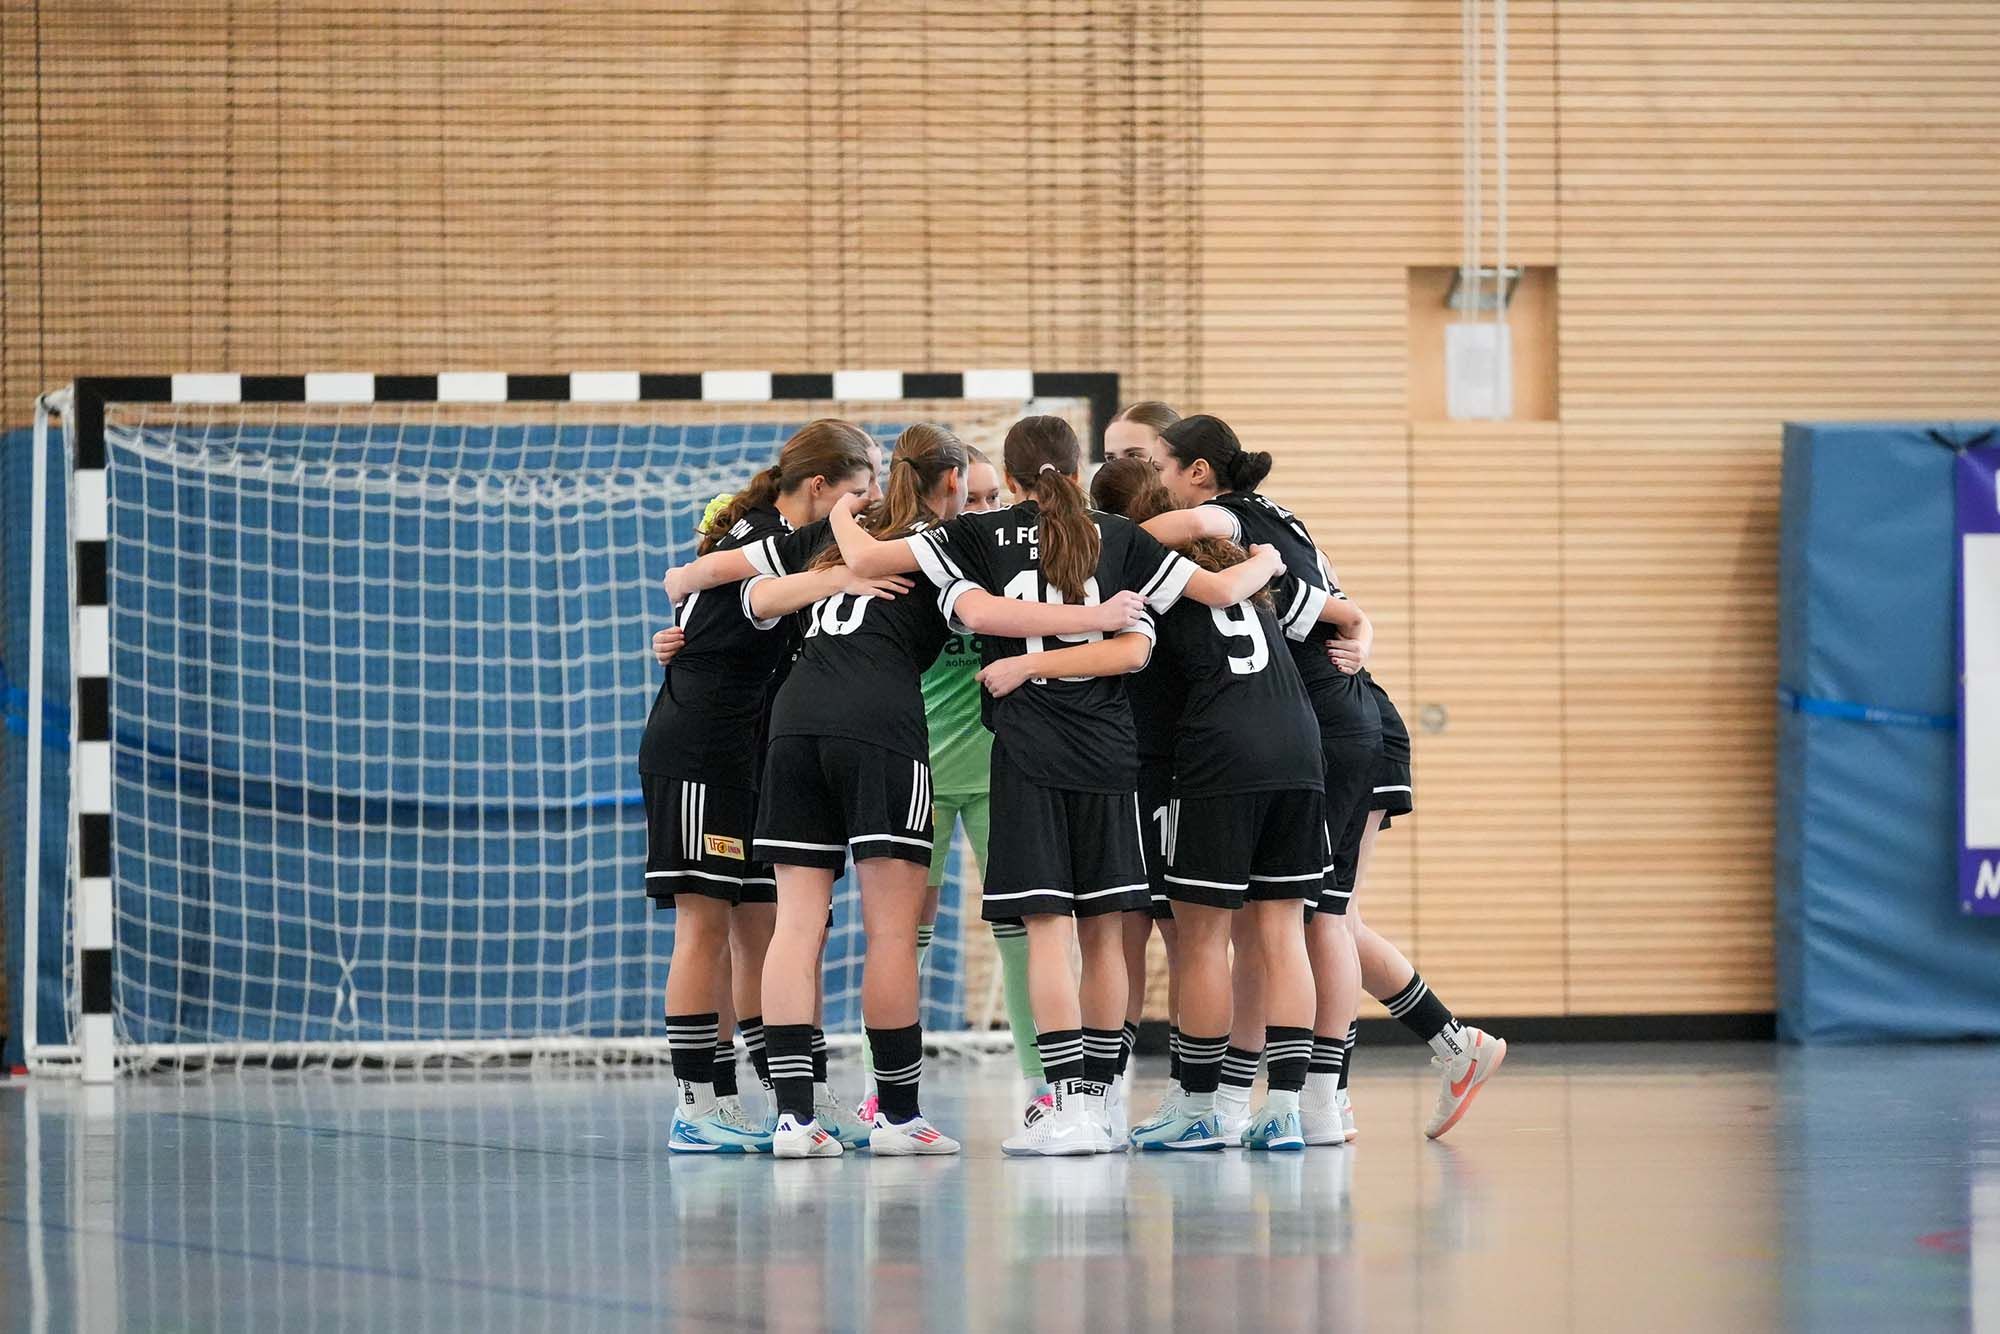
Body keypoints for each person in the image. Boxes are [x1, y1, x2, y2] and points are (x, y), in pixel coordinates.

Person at [833, 414, 1283, 1154]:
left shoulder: (975, 536)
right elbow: (1203, 602)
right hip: (1111, 752)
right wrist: (1265, 558)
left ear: (1008, 480)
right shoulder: (1124, 536)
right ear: (1076, 470)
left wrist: (851, 513)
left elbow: (868, 558)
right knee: (1107, 932)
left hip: (1028, 751)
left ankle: (1064, 1103)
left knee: (1046, 932)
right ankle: (1101, 1108)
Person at [735, 424, 1149, 1158]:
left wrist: (836, 547)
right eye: (974, 493)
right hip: (893, 735)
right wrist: (1093, 619)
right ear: (955, 487)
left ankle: (793, 1118)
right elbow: (992, 615)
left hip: (797, 723)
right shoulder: (958, 544)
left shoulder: (857, 533)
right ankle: (896, 1112)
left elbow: (752, 598)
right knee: (900, 933)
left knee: (797, 924)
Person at [1145, 415, 1506, 1142]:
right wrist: (1362, 629)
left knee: (1317, 918)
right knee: (1306, 918)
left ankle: (1317, 1099)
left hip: (1335, 730)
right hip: (1336, 724)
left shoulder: (1227, 521)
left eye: (1153, 463)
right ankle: (1440, 1047)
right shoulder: (1273, 527)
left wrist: (1100, 534)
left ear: (1200, 473)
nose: (1152, 483)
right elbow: (1341, 612)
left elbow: (1141, 540)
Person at [641, 419, 875, 1153]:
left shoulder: (783, 536)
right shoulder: (760, 540)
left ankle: (789, 1092)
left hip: (750, 760)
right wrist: (851, 572)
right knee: (703, 927)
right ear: (819, 488)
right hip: (698, 758)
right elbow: (756, 591)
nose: (865, 508)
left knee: (761, 931)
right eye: (859, 492)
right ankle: (697, 1103)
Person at [855, 447, 1057, 1128]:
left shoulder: (1013, 563)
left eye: (996, 495)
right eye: (973, 497)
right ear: (944, 496)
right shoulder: (912, 560)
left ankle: (1044, 1083)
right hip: (926, 776)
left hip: (1004, 772)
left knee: (1024, 928)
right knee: (901, 933)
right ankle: (882, 1087)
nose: (987, 509)